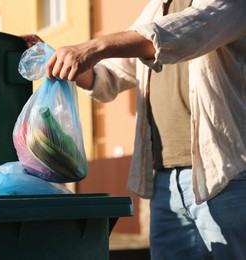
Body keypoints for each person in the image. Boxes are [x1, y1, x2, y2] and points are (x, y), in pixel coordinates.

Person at [22, 0, 246, 259]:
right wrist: (55, 57)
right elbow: (107, 76)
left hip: (224, 176)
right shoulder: (156, 8)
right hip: (163, 182)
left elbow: (187, 32)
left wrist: (95, 46)